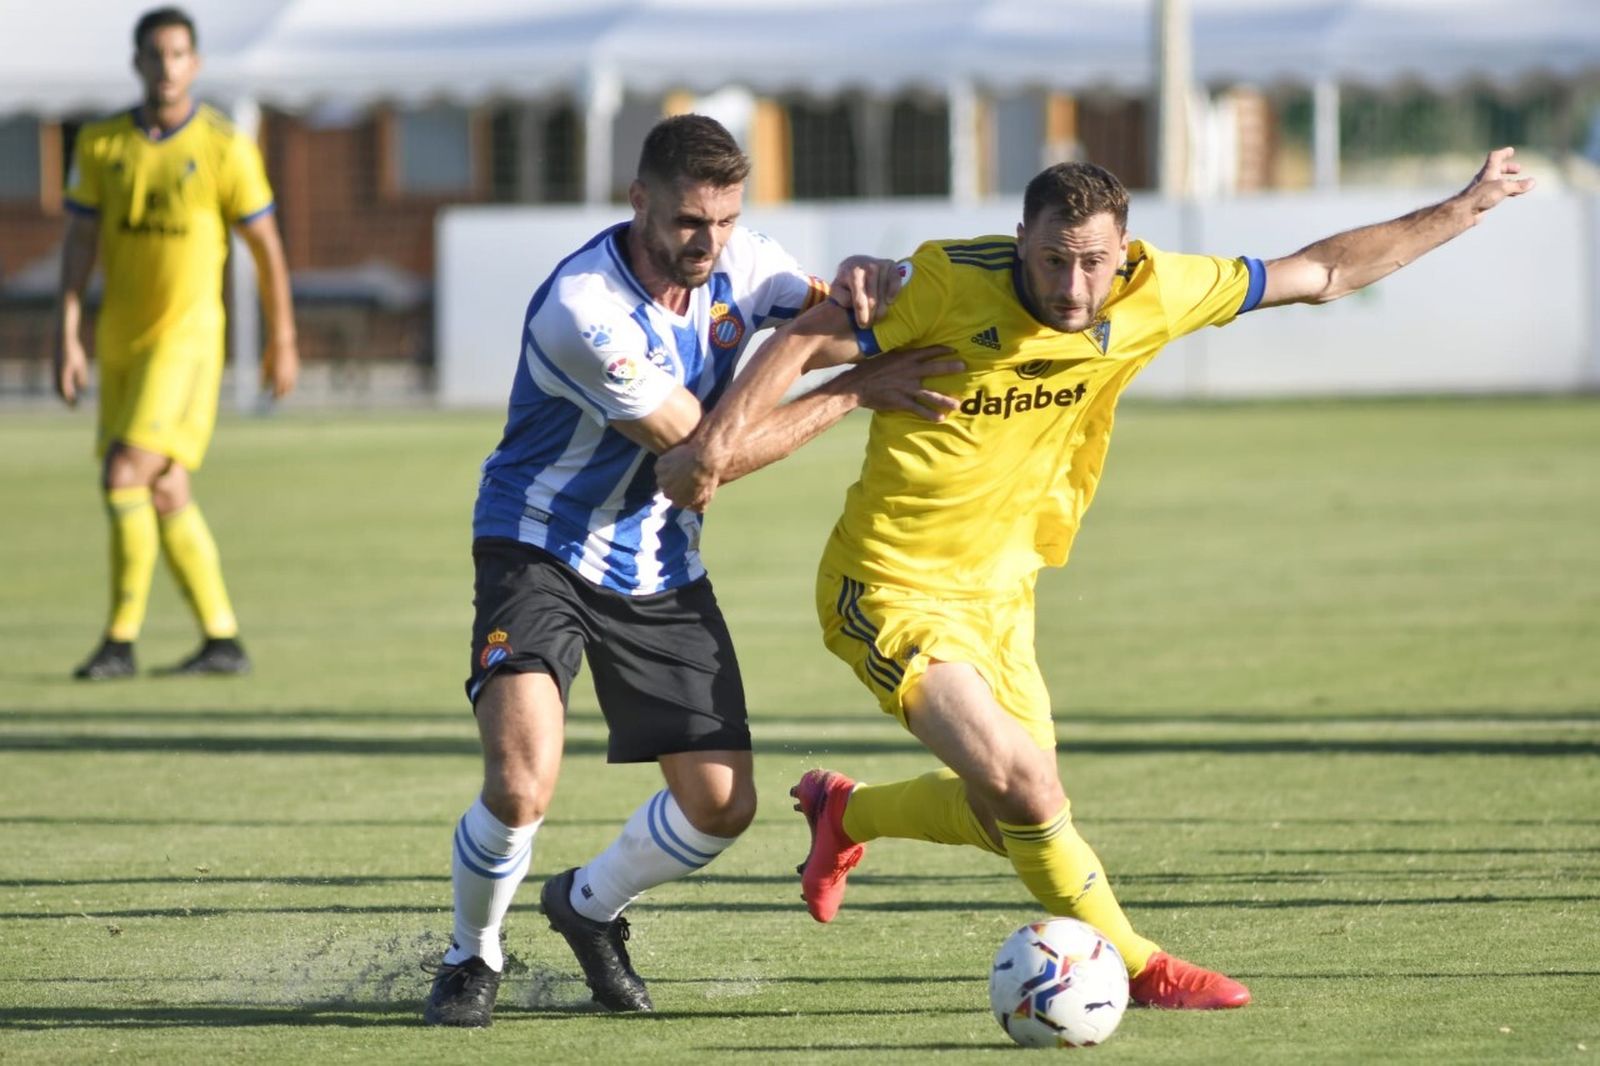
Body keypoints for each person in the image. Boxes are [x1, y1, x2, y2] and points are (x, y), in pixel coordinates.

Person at [658, 149, 1536, 1010]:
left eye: (1092, 264)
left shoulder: (1161, 287)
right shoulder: (945, 282)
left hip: (1004, 596)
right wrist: (717, 444)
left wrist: (1462, 208)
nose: (1072, 287)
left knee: (1012, 820)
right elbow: (808, 335)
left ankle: (847, 814)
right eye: (1050, 260)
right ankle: (1140, 963)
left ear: (1125, 253)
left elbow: (1326, 270)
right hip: (889, 587)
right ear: (1019, 241)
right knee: (1030, 791)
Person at [423, 112, 956, 1028]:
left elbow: (833, 317)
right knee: (521, 781)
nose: (710, 244)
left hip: (660, 559)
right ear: (639, 203)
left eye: (725, 221)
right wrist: (857, 389)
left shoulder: (744, 260)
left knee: (721, 807)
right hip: (540, 543)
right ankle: (472, 955)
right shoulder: (582, 311)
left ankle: (587, 907)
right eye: (687, 223)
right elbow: (704, 457)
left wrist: (872, 286)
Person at [54, 6, 298, 681]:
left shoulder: (223, 145)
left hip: (187, 344)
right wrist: (68, 330)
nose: (167, 67)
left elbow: (266, 247)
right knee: (164, 490)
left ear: (196, 64)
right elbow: (78, 242)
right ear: (137, 63)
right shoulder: (102, 144)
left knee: (123, 473)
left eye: (179, 54)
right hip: (120, 340)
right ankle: (222, 640)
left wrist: (282, 336)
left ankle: (119, 641)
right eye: (155, 55)